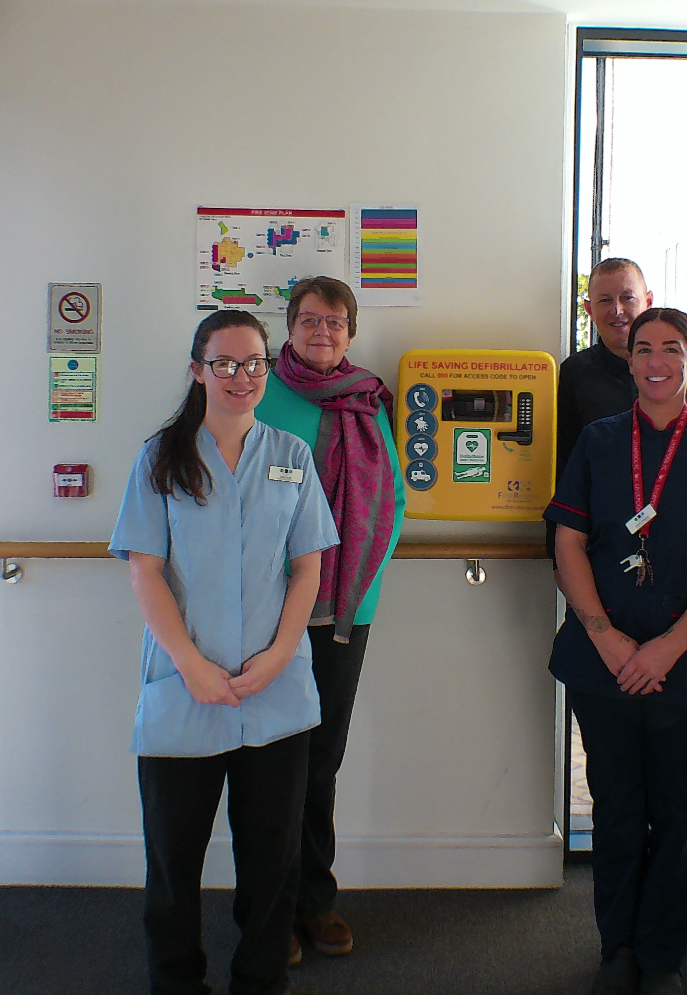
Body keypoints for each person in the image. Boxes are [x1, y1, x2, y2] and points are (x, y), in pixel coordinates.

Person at [110, 310, 340, 995]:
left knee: (273, 861)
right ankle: (177, 982)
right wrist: (189, 662)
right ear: (197, 370)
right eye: (227, 363)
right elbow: (144, 569)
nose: (243, 376)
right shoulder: (160, 457)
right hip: (185, 686)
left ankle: (261, 980)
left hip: (276, 689)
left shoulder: (291, 456)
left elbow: (308, 568)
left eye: (255, 363)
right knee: (173, 862)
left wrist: (279, 654)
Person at [545, 307, 687, 995]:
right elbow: (569, 542)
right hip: (603, 662)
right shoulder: (600, 442)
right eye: (644, 348)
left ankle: (663, 955)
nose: (656, 360)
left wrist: (669, 646)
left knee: (677, 814)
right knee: (614, 807)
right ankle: (617, 949)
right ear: (630, 360)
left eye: (672, 348)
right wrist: (606, 637)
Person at [254, 276, 405, 962]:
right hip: (269, 604)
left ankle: (316, 902)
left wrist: (356, 583)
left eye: (335, 321)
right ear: (288, 327)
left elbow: (392, 498)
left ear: (350, 331)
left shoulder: (370, 398)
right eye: (310, 320)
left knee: (321, 759)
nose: (323, 331)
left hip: (347, 605)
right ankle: (270, 912)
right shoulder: (257, 388)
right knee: (272, 758)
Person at [558, 258, 687, 490]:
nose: (617, 310)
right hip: (609, 521)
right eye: (605, 300)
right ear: (589, 309)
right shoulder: (576, 373)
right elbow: (564, 462)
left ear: (648, 301)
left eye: (628, 298)